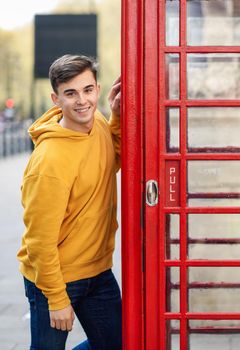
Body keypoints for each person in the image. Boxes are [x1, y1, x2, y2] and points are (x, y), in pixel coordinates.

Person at [17, 54, 122, 349]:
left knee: (119, 343)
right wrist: (57, 299)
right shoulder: (48, 162)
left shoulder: (98, 123)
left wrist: (116, 116)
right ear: (56, 98)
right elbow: (39, 242)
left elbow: (111, 161)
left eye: (87, 90)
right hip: (55, 278)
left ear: (97, 90)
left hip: (98, 271)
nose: (82, 101)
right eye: (70, 93)